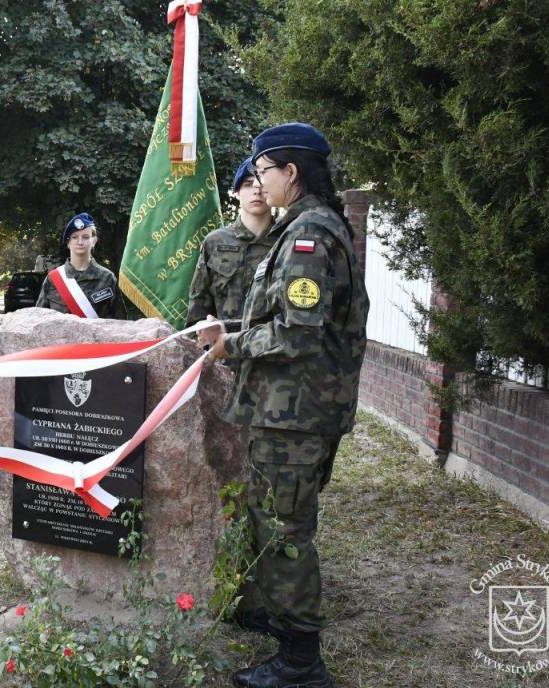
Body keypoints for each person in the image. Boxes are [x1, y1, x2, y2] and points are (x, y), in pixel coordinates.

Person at [200, 123, 369, 688]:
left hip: (294, 414)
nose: (258, 182)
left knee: (284, 531)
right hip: (292, 411)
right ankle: (286, 631)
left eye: (263, 170)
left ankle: (300, 662)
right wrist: (230, 330)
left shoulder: (307, 238)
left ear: (290, 173)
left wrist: (231, 346)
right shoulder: (308, 229)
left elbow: (296, 336)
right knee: (282, 523)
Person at [186, 157, 275, 334]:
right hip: (223, 353)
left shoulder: (287, 240)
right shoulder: (215, 242)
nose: (256, 192)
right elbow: (198, 309)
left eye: (262, 185)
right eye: (248, 184)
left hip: (272, 352)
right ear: (237, 191)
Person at [35, 212, 127, 319]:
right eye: (74, 237)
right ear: (68, 243)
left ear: (94, 241)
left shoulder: (107, 278)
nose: (80, 242)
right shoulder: (53, 279)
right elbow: (39, 320)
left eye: (86, 237)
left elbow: (121, 321)